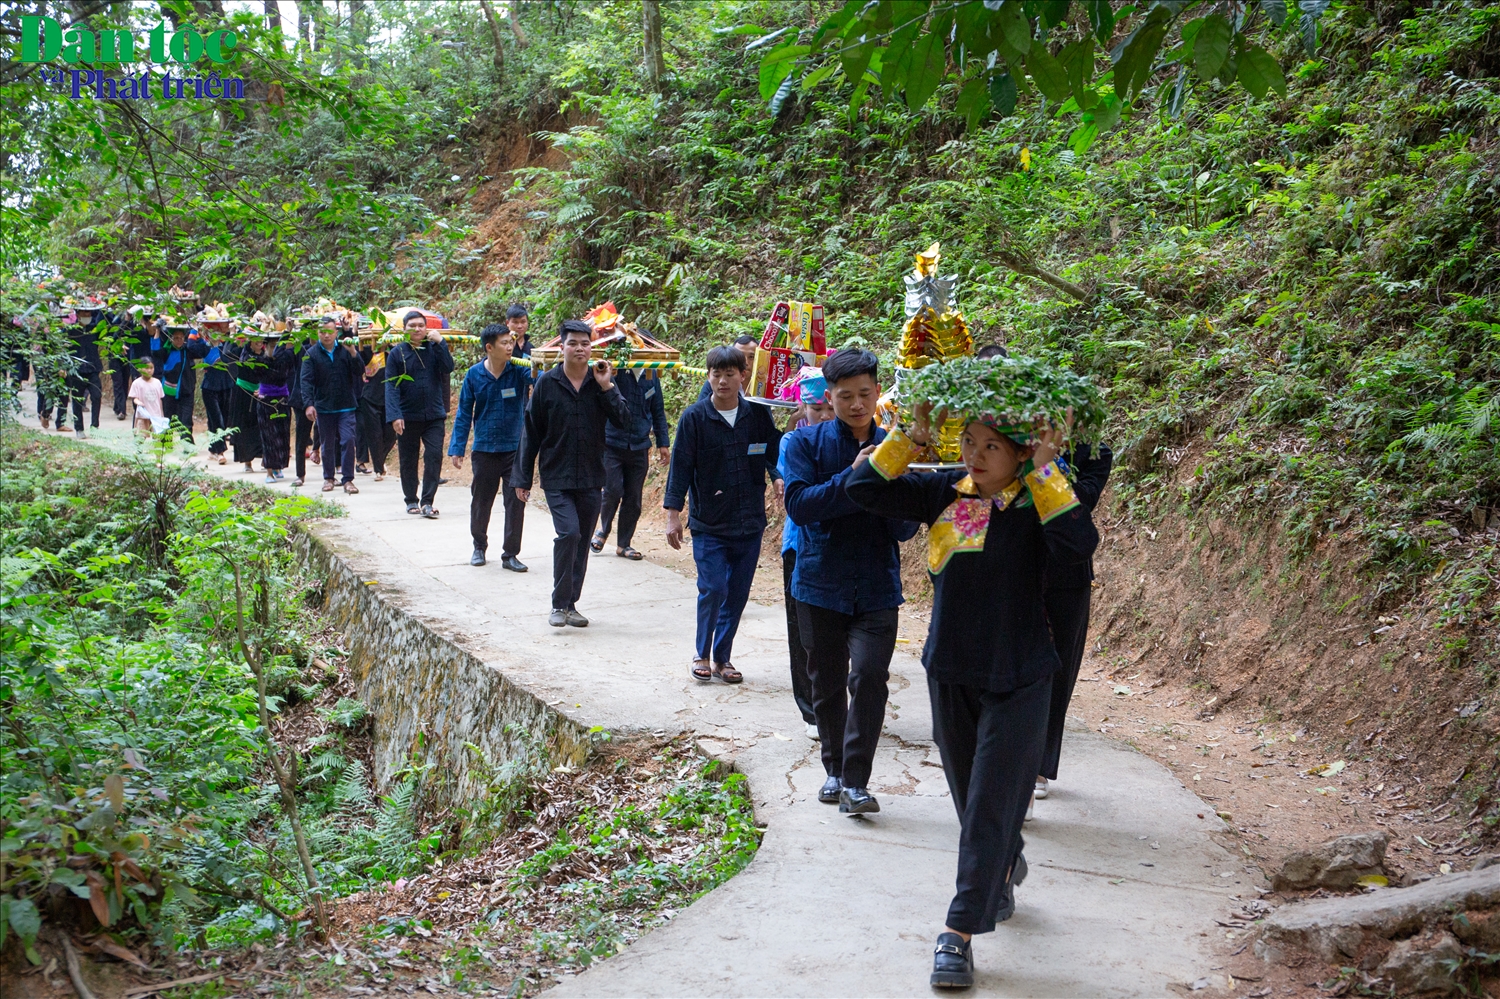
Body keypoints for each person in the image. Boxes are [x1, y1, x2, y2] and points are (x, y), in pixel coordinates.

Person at [844, 402, 1098, 990]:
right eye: (970, 444)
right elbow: (863, 488)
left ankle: (956, 935)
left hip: (1022, 676)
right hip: (951, 671)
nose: (975, 457)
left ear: (1019, 454)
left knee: (988, 801)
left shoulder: (1040, 504)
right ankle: (1002, 859)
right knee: (971, 801)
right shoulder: (945, 495)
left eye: (991, 448)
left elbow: (1080, 543)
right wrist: (909, 437)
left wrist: (1045, 470)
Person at [782, 349, 919, 816]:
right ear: (830, 397)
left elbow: (905, 527)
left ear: (878, 394)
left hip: (878, 584)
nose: (856, 404)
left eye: (865, 394)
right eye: (846, 396)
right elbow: (800, 505)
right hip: (819, 582)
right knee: (827, 681)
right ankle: (834, 770)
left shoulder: (894, 447)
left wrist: (892, 486)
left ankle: (857, 782)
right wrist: (856, 476)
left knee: (870, 676)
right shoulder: (805, 444)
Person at [665, 345, 782, 684]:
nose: (723, 380)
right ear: (708, 377)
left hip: (749, 521)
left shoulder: (757, 415)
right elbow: (681, 468)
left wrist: (778, 476)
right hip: (709, 523)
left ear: (743, 376)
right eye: (716, 374)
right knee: (714, 587)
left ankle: (723, 658)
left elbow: (772, 450)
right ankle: (701, 653)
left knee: (738, 593)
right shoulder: (695, 418)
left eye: (730, 374)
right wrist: (673, 514)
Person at [517, 319, 631, 627]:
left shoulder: (600, 382)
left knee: (581, 543)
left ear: (591, 347)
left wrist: (607, 386)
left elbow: (624, 421)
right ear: (562, 347)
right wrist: (522, 478)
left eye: (585, 343)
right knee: (569, 534)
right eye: (573, 343)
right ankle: (558, 604)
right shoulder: (546, 384)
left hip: (593, 477)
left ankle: (571, 604)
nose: (579, 348)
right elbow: (531, 432)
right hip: (557, 476)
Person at [1035, 439, 1113, 804]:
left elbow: (1081, 502)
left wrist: (1044, 466)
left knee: (1058, 668)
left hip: (1067, 574)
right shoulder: (1007, 440)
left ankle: (1037, 765)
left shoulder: (1094, 454)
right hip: (1014, 568)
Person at [449, 324, 532, 571]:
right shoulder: (474, 375)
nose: (510, 347)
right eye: (505, 343)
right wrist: (457, 447)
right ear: (489, 347)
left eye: (511, 342)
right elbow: (464, 411)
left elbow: (540, 375)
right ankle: (479, 546)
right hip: (484, 449)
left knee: (516, 502)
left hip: (514, 450)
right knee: (481, 501)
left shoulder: (519, 370)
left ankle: (510, 554)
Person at [779, 370, 833, 738]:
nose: (824, 416)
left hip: (840, 547)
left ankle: (834, 704)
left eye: (830, 408)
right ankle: (811, 710)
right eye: (816, 409)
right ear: (802, 407)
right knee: (803, 634)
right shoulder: (792, 443)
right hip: (799, 545)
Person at [592, 364, 670, 560]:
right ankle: (603, 529)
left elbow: (658, 410)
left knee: (634, 497)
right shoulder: (616, 372)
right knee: (612, 489)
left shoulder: (652, 376)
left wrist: (663, 444)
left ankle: (624, 544)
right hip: (612, 443)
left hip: (639, 444)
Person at [386, 311, 453, 517]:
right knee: (408, 458)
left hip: (434, 415)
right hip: (407, 416)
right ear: (404, 329)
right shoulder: (398, 353)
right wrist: (395, 415)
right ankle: (411, 499)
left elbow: (448, 367)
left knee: (433, 456)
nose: (417, 329)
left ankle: (427, 501)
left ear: (427, 328)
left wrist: (441, 343)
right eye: (412, 325)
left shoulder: (434, 349)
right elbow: (391, 387)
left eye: (421, 325)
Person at [302, 317, 365, 494]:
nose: (327, 335)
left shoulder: (345, 349)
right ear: (317, 333)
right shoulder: (311, 354)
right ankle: (328, 478)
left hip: (346, 405)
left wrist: (353, 353)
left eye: (330, 331)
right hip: (324, 406)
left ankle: (348, 479)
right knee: (327, 443)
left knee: (348, 440)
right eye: (323, 331)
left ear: (336, 333)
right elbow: (305, 381)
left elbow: (359, 370)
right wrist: (308, 404)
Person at [150, 322, 210, 442]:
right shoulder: (167, 351)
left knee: (186, 419)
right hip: (169, 390)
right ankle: (166, 442)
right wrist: (157, 331)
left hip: (186, 390)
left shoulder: (188, 351)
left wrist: (202, 335)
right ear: (171, 338)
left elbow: (204, 350)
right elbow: (155, 351)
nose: (178, 341)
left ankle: (187, 443)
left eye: (181, 338)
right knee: (168, 416)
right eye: (176, 338)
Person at [256, 333, 297, 484]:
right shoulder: (259, 361)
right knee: (268, 436)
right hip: (265, 401)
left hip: (282, 400)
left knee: (282, 434)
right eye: (272, 346)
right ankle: (269, 471)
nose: (275, 349)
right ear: (265, 347)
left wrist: (289, 332)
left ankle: (278, 466)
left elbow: (293, 351)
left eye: (277, 345)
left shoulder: (285, 359)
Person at [58, 306, 103, 438]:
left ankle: (94, 426)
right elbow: (61, 348)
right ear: (77, 314)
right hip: (76, 370)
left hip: (93, 368)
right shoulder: (69, 331)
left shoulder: (94, 329)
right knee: (77, 400)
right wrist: (62, 366)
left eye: (89, 312)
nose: (87, 315)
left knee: (96, 396)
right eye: (84, 312)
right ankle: (79, 428)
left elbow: (108, 326)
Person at [357, 343, 396, 483]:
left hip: (389, 399)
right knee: (375, 435)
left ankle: (380, 460)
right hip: (369, 399)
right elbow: (359, 358)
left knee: (392, 435)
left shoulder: (394, 353)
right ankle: (378, 469)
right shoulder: (368, 352)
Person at [227, 332, 265, 472]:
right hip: (243, 394)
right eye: (256, 339)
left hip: (261, 394)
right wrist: (235, 337)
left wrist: (263, 388)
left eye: (261, 339)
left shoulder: (265, 355)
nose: (259, 342)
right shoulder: (241, 353)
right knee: (243, 427)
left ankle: (265, 459)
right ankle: (247, 462)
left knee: (262, 425)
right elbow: (227, 354)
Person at [199, 325, 235, 465]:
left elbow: (230, 356)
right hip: (209, 388)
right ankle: (220, 452)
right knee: (217, 418)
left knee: (224, 419)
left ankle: (212, 449)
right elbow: (191, 345)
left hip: (226, 386)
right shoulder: (204, 347)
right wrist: (196, 329)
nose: (216, 334)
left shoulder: (226, 346)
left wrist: (232, 333)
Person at [127, 357, 165, 436]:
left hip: (156, 415)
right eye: (146, 368)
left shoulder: (157, 383)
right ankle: (139, 449)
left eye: (151, 368)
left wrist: (161, 415)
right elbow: (135, 398)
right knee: (141, 436)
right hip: (143, 415)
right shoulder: (137, 383)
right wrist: (138, 402)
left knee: (157, 438)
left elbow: (160, 399)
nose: (149, 370)